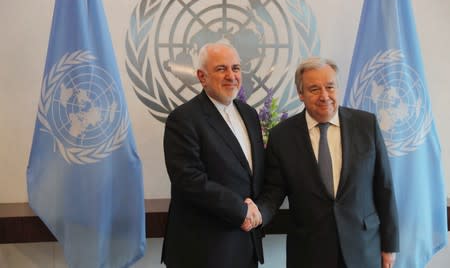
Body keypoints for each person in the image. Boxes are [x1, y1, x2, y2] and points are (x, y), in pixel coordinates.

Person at [256, 57, 399, 268]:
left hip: (364, 248)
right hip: (309, 252)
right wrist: (256, 214)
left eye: (330, 87)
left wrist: (390, 246)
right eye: (314, 89)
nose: (324, 96)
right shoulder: (282, 136)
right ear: (300, 94)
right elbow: (274, 191)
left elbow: (384, 187)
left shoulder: (366, 125)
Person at [161, 43, 265, 268]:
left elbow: (254, 174)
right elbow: (189, 180)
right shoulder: (183, 119)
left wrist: (260, 210)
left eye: (236, 68)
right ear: (202, 76)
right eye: (221, 69)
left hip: (245, 246)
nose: (231, 76)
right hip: (203, 251)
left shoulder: (249, 114)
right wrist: (241, 211)